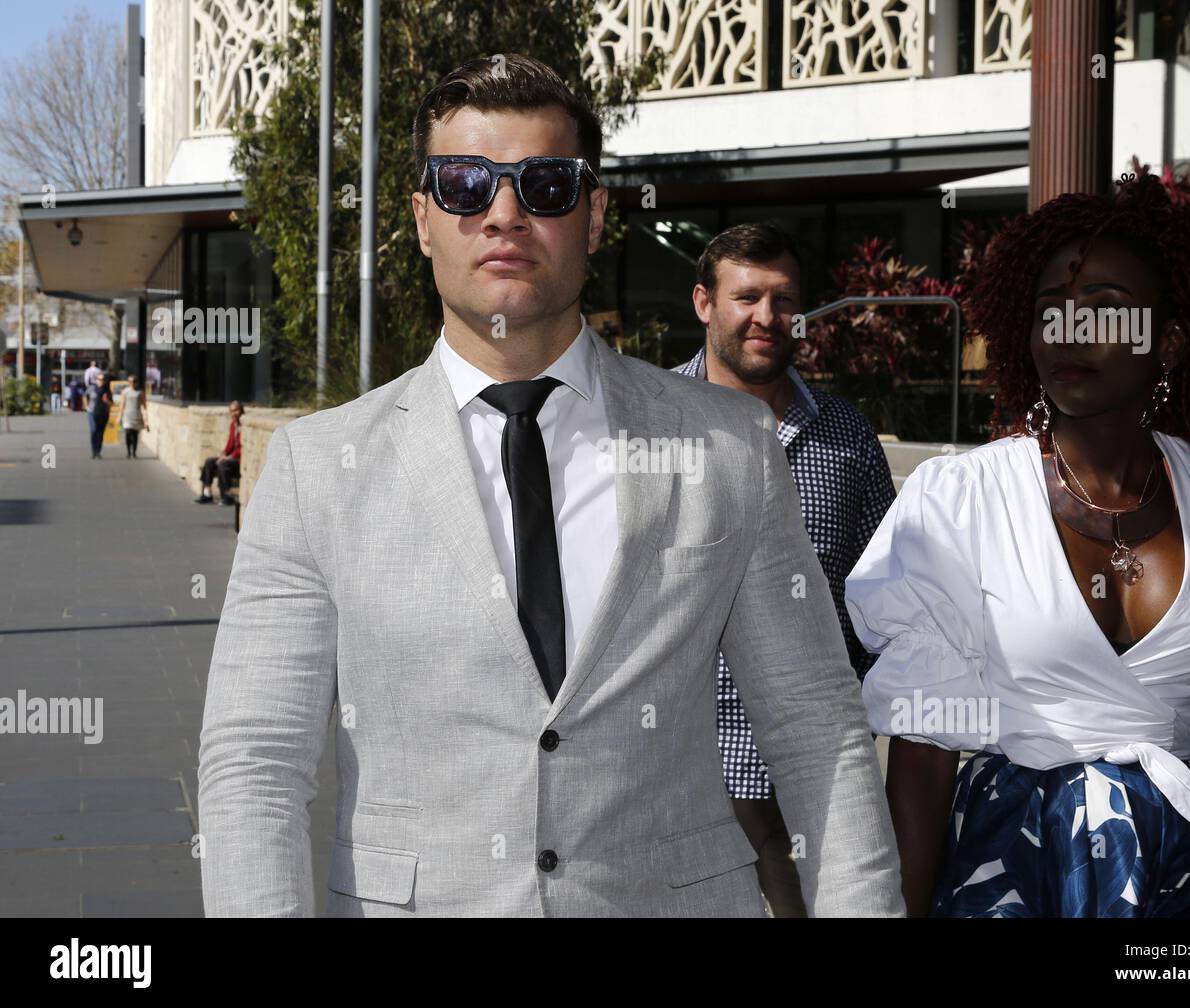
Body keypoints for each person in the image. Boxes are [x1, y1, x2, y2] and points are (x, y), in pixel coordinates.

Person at [197, 54, 903, 918]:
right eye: (464, 183)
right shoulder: (317, 469)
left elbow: (814, 726)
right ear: (423, 219)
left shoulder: (729, 447)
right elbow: (255, 762)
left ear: (595, 213)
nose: (504, 213)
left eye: (545, 183)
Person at [846, 171, 1190, 918]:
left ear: (1172, 342)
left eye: (1108, 312)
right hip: (1013, 868)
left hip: (1176, 877)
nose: (1072, 332)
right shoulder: (962, 500)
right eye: (1050, 311)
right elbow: (923, 753)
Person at [672, 222, 896, 917]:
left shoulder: (847, 440)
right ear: (704, 303)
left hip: (803, 780)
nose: (767, 317)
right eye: (747, 297)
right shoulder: (641, 429)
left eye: (783, 299)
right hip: (669, 777)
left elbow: (885, 603)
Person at [195, 401, 242, 504]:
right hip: (230, 457)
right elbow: (230, 443)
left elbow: (242, 448)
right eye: (232, 411)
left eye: (236, 410)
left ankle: (226, 495)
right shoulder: (233, 425)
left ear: (241, 411)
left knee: (223, 463)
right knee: (209, 461)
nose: (234, 413)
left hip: (238, 460)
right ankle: (207, 493)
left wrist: (230, 457)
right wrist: (224, 453)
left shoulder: (243, 426)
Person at [118, 374, 148, 458]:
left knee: (135, 435)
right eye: (130, 381)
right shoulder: (125, 392)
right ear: (128, 382)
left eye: (134, 381)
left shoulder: (140, 392)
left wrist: (146, 418)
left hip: (137, 415)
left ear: (137, 382)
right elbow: (122, 405)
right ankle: (128, 452)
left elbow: (144, 405)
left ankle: (134, 452)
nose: (132, 383)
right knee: (128, 434)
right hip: (127, 415)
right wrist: (119, 417)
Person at [87, 374, 111, 459]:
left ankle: (98, 452)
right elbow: (84, 396)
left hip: (103, 413)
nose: (101, 381)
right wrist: (86, 406)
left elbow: (111, 403)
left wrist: (107, 401)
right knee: (94, 430)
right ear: (96, 380)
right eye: (99, 379)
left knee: (100, 433)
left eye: (103, 379)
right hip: (92, 412)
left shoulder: (107, 390)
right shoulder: (92, 388)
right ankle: (93, 451)